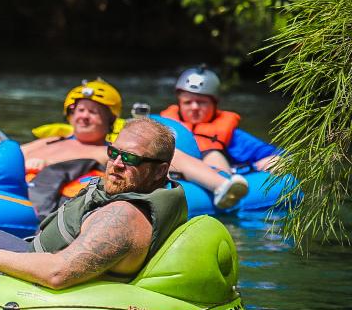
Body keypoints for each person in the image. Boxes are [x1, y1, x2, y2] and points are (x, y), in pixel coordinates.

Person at [0, 117, 187, 287]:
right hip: (37, 251)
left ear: (160, 170)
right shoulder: (133, 191)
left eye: (131, 159)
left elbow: (57, 273)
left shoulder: (122, 217)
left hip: (41, 273)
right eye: (114, 153)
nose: (116, 164)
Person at [24, 78, 248, 214]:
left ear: (109, 119)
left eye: (93, 112)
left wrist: (220, 184)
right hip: (22, 192)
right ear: (69, 113)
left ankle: (220, 184)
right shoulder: (49, 141)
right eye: (79, 110)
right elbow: (9, 156)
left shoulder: (111, 151)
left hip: (54, 200)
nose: (84, 116)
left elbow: (171, 158)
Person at [160, 65, 282, 173]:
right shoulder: (162, 127)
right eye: (187, 102)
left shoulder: (232, 136)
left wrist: (272, 160)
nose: (194, 107)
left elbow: (276, 154)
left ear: (215, 104)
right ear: (179, 103)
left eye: (201, 102)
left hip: (214, 181)